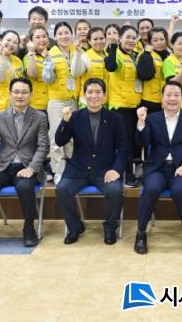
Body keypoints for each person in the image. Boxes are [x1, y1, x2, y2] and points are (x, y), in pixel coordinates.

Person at [0, 78, 49, 248]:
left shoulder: (39, 117)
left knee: (25, 187)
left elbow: (43, 146)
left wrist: (32, 168)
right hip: (3, 165)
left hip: (26, 166)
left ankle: (29, 228)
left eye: (24, 92)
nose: (20, 96)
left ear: (31, 95)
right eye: (16, 92)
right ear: (10, 94)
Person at [55, 78, 127, 245]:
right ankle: (75, 227)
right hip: (78, 169)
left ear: (104, 95)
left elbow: (124, 148)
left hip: (104, 170)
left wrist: (116, 169)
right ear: (84, 95)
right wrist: (65, 121)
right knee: (62, 189)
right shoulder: (74, 116)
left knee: (115, 191)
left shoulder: (115, 118)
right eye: (90, 92)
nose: (94, 96)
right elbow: (59, 141)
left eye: (98, 92)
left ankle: (110, 228)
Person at [134, 82, 182, 255]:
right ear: (162, 97)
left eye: (176, 95)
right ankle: (141, 233)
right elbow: (142, 143)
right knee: (151, 189)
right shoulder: (152, 118)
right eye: (168, 95)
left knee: (179, 190)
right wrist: (141, 123)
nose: (172, 98)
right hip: (157, 167)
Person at [105, 24, 142, 187]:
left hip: (134, 105)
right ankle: (126, 174)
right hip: (120, 106)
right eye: (127, 37)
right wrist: (113, 46)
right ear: (120, 38)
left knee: (133, 142)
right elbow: (111, 66)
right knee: (124, 142)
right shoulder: (117, 54)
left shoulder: (134, 55)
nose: (131, 40)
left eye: (134, 37)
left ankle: (131, 171)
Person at [43, 22, 79, 184]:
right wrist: (48, 65)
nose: (64, 36)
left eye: (67, 33)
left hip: (73, 99)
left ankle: (72, 168)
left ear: (71, 35)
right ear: (55, 37)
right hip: (57, 101)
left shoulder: (77, 51)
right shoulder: (51, 53)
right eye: (60, 33)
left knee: (72, 137)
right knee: (56, 137)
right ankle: (58, 170)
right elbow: (47, 79)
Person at [72, 26, 109, 108]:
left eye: (101, 38)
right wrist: (77, 52)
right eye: (95, 39)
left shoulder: (109, 56)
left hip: (104, 101)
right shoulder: (85, 56)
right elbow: (75, 73)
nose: (99, 41)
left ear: (105, 39)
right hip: (87, 102)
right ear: (89, 41)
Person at [137, 27, 170, 113]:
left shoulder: (168, 55)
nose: (159, 42)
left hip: (165, 99)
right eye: (155, 40)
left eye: (162, 39)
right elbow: (145, 75)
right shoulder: (145, 54)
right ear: (150, 42)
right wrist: (147, 54)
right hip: (149, 100)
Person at [24, 25, 51, 113]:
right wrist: (31, 53)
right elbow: (32, 75)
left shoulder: (54, 54)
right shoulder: (28, 57)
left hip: (53, 102)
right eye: (38, 37)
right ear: (31, 41)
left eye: (44, 36)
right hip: (36, 105)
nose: (42, 40)